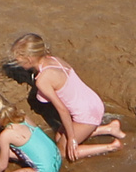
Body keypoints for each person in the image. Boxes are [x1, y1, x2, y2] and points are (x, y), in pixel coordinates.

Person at [9, 33, 126, 162]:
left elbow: (62, 109)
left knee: (62, 151)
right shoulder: (54, 59)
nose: (17, 63)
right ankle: (110, 128)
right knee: (59, 138)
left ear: (30, 59)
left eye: (18, 60)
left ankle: (111, 146)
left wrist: (72, 139)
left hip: (86, 115)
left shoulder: (42, 80)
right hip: (93, 102)